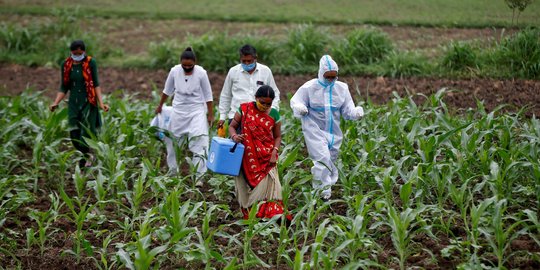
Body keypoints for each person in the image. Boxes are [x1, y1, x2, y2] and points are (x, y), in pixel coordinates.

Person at [290, 55, 364, 200]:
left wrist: (356, 113)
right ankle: (321, 194)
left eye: (333, 77)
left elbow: (347, 109)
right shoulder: (309, 88)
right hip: (314, 130)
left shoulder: (342, 88)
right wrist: (300, 108)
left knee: (331, 160)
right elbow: (295, 101)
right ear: (320, 74)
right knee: (322, 159)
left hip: (334, 132)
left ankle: (327, 188)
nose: (330, 79)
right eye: (327, 76)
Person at [229, 85, 291, 222]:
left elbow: (277, 137)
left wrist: (275, 151)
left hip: (266, 156)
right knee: (244, 185)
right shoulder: (245, 109)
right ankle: (250, 211)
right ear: (256, 98)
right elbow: (232, 126)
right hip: (246, 156)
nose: (265, 106)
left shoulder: (274, 114)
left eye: (268, 104)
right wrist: (234, 137)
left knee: (271, 186)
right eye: (262, 102)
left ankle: (272, 212)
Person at [155, 47, 214, 184]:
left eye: (190, 65)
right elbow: (167, 91)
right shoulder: (174, 71)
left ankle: (198, 177)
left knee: (200, 141)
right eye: (184, 65)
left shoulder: (201, 73)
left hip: (197, 110)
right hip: (179, 110)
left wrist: (210, 114)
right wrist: (160, 105)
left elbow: (208, 95)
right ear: (180, 63)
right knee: (172, 141)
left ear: (195, 62)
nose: (187, 68)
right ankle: (172, 173)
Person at [50, 40, 109, 168]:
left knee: (86, 133)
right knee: (74, 133)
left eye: (80, 53)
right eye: (75, 53)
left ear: (84, 52)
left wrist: (101, 103)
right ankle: (86, 154)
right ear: (71, 52)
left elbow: (96, 84)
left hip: (89, 101)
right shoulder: (66, 65)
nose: (78, 55)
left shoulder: (90, 63)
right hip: (74, 103)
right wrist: (56, 102)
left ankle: (85, 159)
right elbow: (63, 87)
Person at [218, 44, 280, 130]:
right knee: (239, 142)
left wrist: (272, 110)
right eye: (244, 61)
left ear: (255, 58)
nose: (247, 63)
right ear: (240, 59)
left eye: (249, 61)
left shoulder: (265, 71)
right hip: (237, 118)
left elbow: (275, 93)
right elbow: (226, 95)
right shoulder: (233, 72)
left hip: (260, 118)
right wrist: (222, 116)